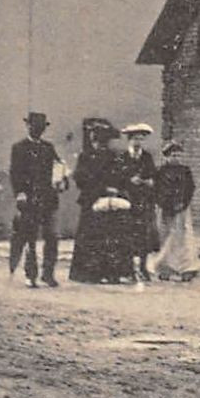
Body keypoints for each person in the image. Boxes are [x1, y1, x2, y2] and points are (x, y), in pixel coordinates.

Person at [68, 119, 134, 284]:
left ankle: (109, 272)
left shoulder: (113, 156)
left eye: (102, 141)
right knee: (90, 237)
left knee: (109, 237)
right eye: (97, 140)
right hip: (91, 200)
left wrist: (115, 188)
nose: (99, 144)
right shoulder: (85, 156)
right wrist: (101, 189)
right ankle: (88, 273)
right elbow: (80, 178)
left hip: (108, 202)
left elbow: (120, 177)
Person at [8, 112, 67, 288]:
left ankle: (48, 274)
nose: (38, 130)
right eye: (34, 127)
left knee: (52, 237)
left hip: (48, 199)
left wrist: (62, 181)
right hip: (29, 200)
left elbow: (59, 169)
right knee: (30, 238)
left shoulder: (48, 148)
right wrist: (20, 193)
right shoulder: (19, 148)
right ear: (28, 127)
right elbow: (15, 173)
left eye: (41, 128)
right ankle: (30, 275)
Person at [152, 140, 199, 281]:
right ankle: (164, 268)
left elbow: (190, 188)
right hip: (165, 209)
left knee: (183, 238)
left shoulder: (185, 171)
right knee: (166, 237)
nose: (176, 158)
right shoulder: (160, 171)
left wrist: (183, 204)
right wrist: (164, 204)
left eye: (178, 155)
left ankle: (186, 268)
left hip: (182, 209)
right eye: (173, 155)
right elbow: (156, 190)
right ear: (166, 156)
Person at [118, 123, 159, 282]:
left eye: (141, 139)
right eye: (135, 139)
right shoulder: (122, 157)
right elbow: (117, 177)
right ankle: (128, 269)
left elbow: (153, 176)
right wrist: (129, 180)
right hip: (128, 200)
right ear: (129, 140)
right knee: (127, 234)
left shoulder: (147, 157)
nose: (138, 142)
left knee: (144, 236)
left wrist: (148, 181)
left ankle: (143, 267)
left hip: (143, 200)